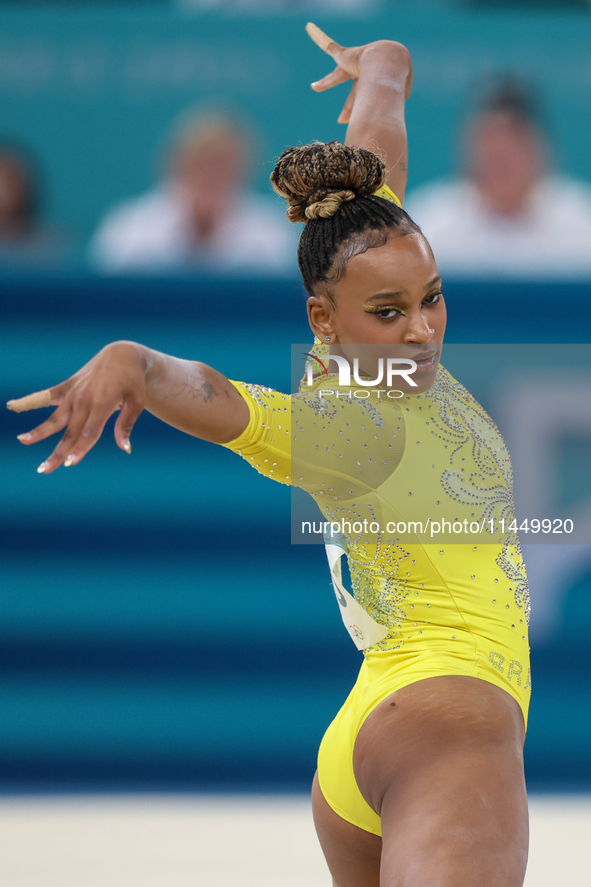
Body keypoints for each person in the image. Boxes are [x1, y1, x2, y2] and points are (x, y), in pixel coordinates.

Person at [8, 23, 530, 887]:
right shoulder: (356, 429)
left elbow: (373, 166)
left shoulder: (367, 301)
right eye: (392, 311)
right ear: (327, 321)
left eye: (431, 297)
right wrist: (136, 363)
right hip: (450, 721)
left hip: (378, 729)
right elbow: (225, 402)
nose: (423, 326)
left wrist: (386, 67)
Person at [405, 77, 591, 278]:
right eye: (488, 138)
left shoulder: (582, 222)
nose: (500, 153)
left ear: (543, 147)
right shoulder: (428, 223)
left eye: (515, 138)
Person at [89, 111, 297, 275]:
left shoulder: (271, 233)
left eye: (222, 164)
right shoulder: (128, 229)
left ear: (242, 171)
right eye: (201, 163)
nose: (210, 174)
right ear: (177, 164)